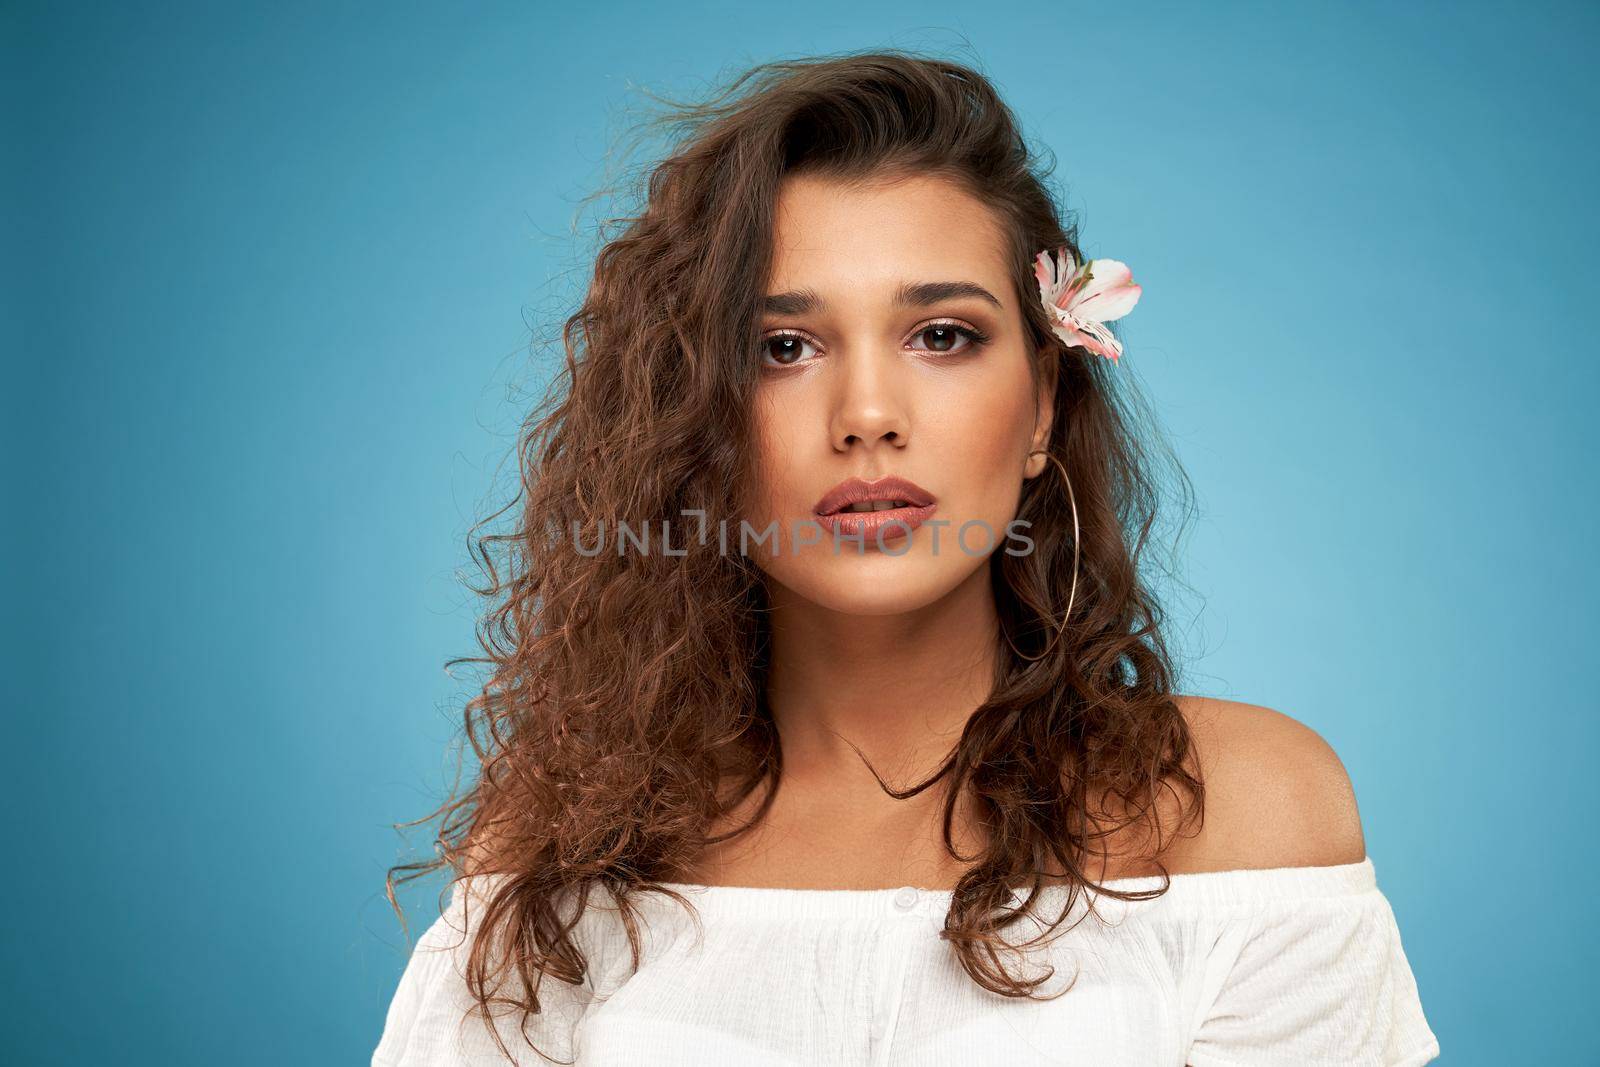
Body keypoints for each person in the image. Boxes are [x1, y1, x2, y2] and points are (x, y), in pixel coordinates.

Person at [371, 50, 1439, 1066]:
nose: (868, 415)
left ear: (1042, 406)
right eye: (780, 347)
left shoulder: (1238, 808)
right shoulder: (567, 832)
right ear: (693, 420)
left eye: (942, 335)